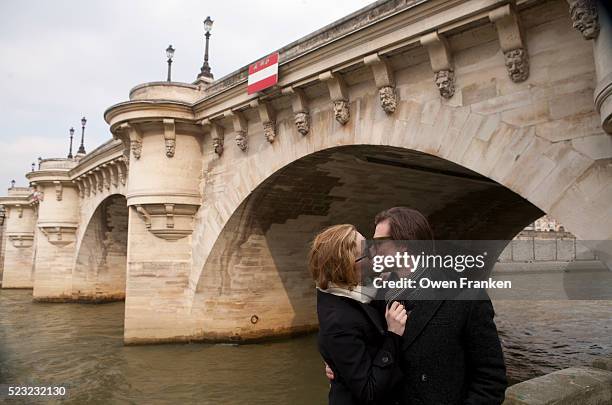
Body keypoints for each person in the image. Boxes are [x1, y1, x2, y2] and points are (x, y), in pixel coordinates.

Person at [326, 207, 508, 405]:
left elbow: (490, 380)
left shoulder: (466, 296)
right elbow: (361, 346)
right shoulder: (375, 296)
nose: (371, 248)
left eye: (378, 242)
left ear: (403, 245)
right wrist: (343, 362)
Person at [310, 224, 408, 405]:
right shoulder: (338, 321)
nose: (375, 252)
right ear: (348, 266)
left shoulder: (363, 290)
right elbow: (368, 392)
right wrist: (393, 336)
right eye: (368, 251)